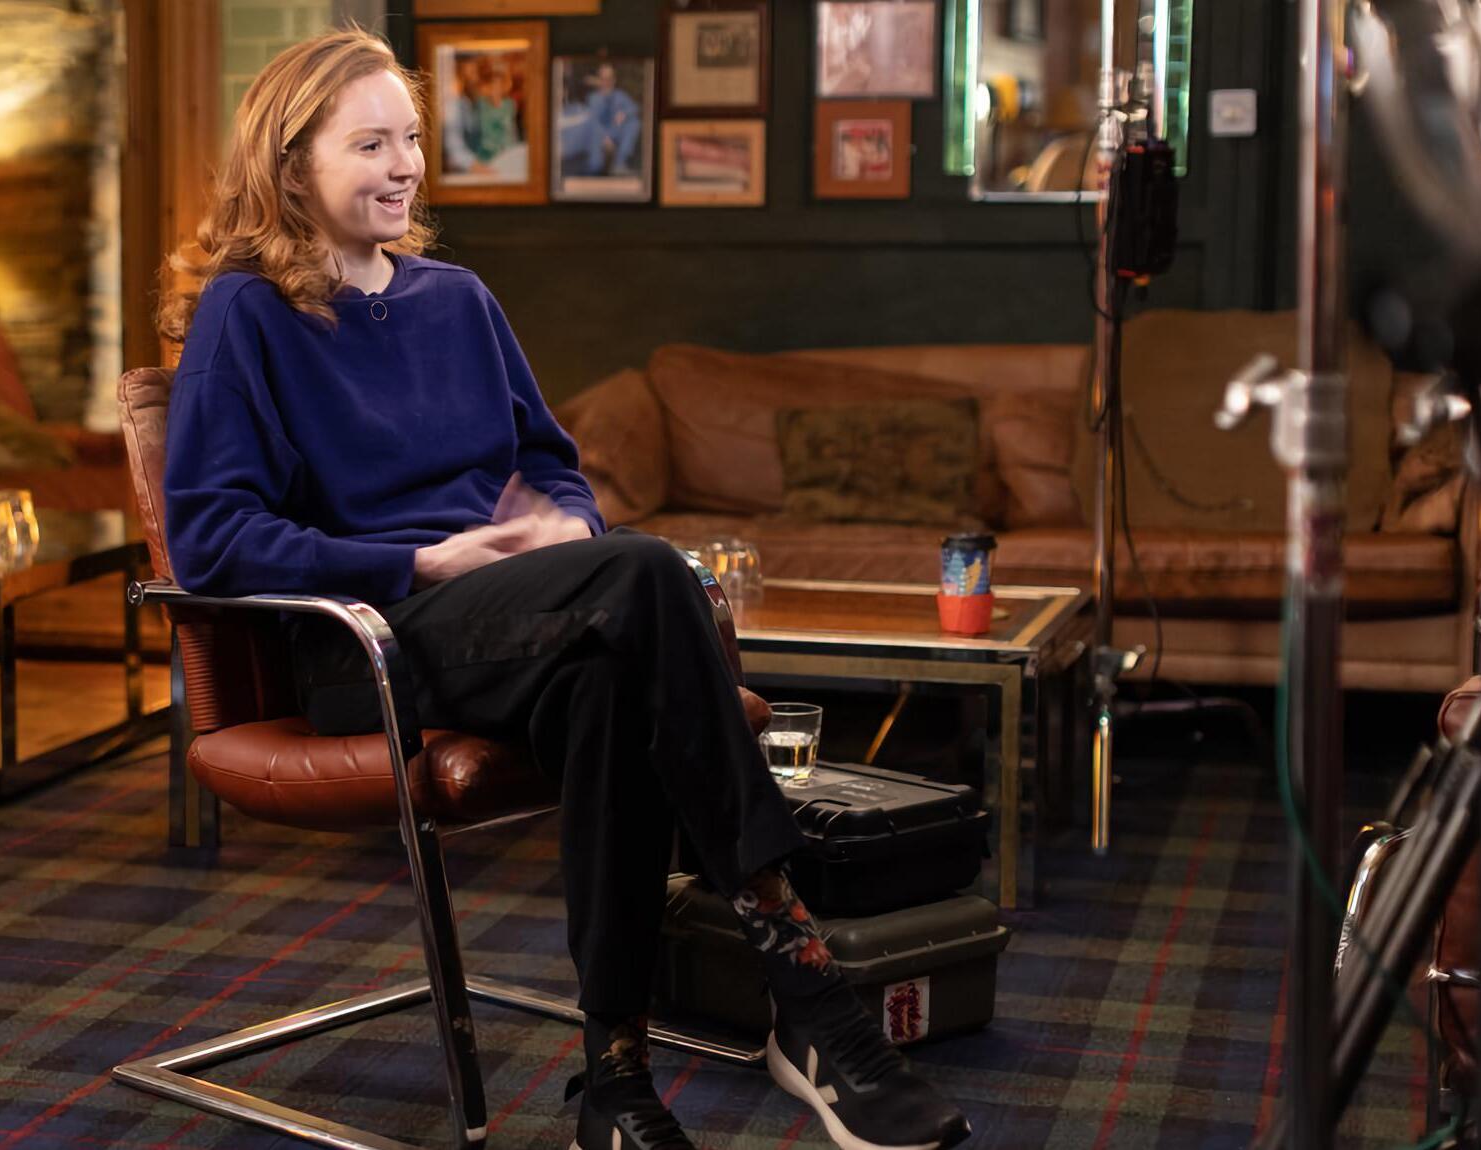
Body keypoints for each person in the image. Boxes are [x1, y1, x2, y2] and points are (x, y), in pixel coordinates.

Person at [155, 26, 970, 1150]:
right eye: (370, 145)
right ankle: (814, 996)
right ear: (291, 167)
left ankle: (615, 1086)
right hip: (369, 645)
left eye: (411, 140)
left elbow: (552, 465)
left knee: (612, 687)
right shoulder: (247, 312)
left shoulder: (458, 298)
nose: (405, 166)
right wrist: (418, 562)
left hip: (518, 624)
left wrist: (565, 525)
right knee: (645, 571)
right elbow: (209, 539)